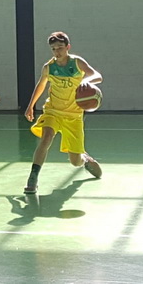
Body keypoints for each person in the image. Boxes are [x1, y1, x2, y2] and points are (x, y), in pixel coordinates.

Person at [23, 31, 103, 194]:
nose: (57, 52)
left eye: (60, 47)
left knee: (75, 161)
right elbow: (41, 85)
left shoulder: (77, 62)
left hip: (74, 116)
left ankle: (84, 159)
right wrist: (30, 105)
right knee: (46, 138)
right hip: (53, 111)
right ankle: (33, 178)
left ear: (68, 47)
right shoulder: (49, 67)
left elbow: (97, 76)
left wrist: (85, 80)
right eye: (53, 49)